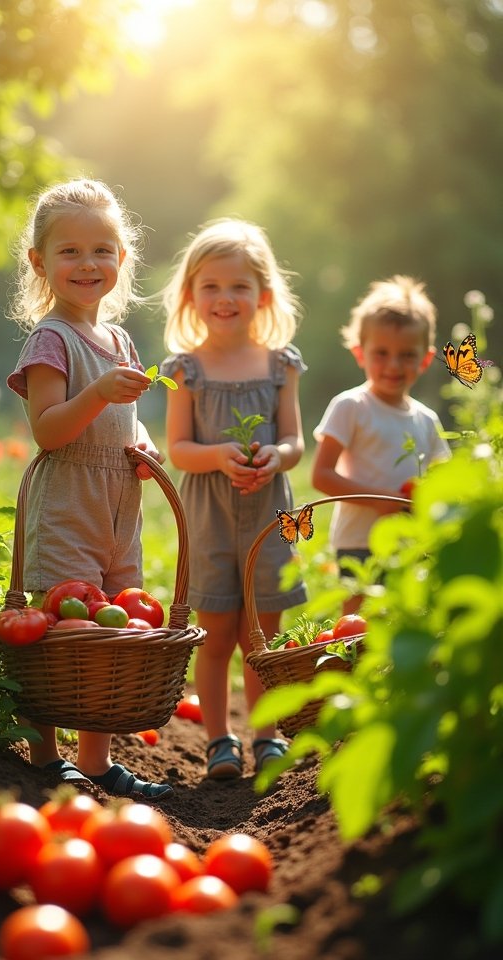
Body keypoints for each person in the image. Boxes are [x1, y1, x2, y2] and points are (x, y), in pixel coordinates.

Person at [6, 177, 172, 799]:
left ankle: (96, 759)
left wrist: (143, 444)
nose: (86, 263)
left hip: (117, 508)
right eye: (69, 250)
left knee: (108, 627)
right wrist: (99, 392)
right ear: (40, 263)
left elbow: (123, 418)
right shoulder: (51, 340)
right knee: (58, 626)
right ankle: (46, 752)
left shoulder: (121, 340)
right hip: (70, 503)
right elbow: (50, 430)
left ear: (122, 259)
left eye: (102, 249)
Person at [160, 218, 308, 780]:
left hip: (270, 514)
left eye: (239, 286)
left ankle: (266, 737)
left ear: (262, 295)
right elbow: (178, 449)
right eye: (211, 286)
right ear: (191, 295)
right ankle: (220, 739)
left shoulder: (279, 365)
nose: (225, 298)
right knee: (217, 634)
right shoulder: (186, 370)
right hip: (210, 517)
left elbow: (296, 440)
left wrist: (279, 455)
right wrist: (219, 454)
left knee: (261, 638)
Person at [311, 275, 451, 614]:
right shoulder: (351, 406)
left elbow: (442, 479)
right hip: (359, 541)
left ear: (425, 358)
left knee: (408, 615)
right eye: (381, 353)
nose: (393, 365)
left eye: (406, 355)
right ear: (360, 353)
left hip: (412, 540)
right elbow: (321, 476)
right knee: (359, 625)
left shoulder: (427, 419)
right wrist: (381, 500)